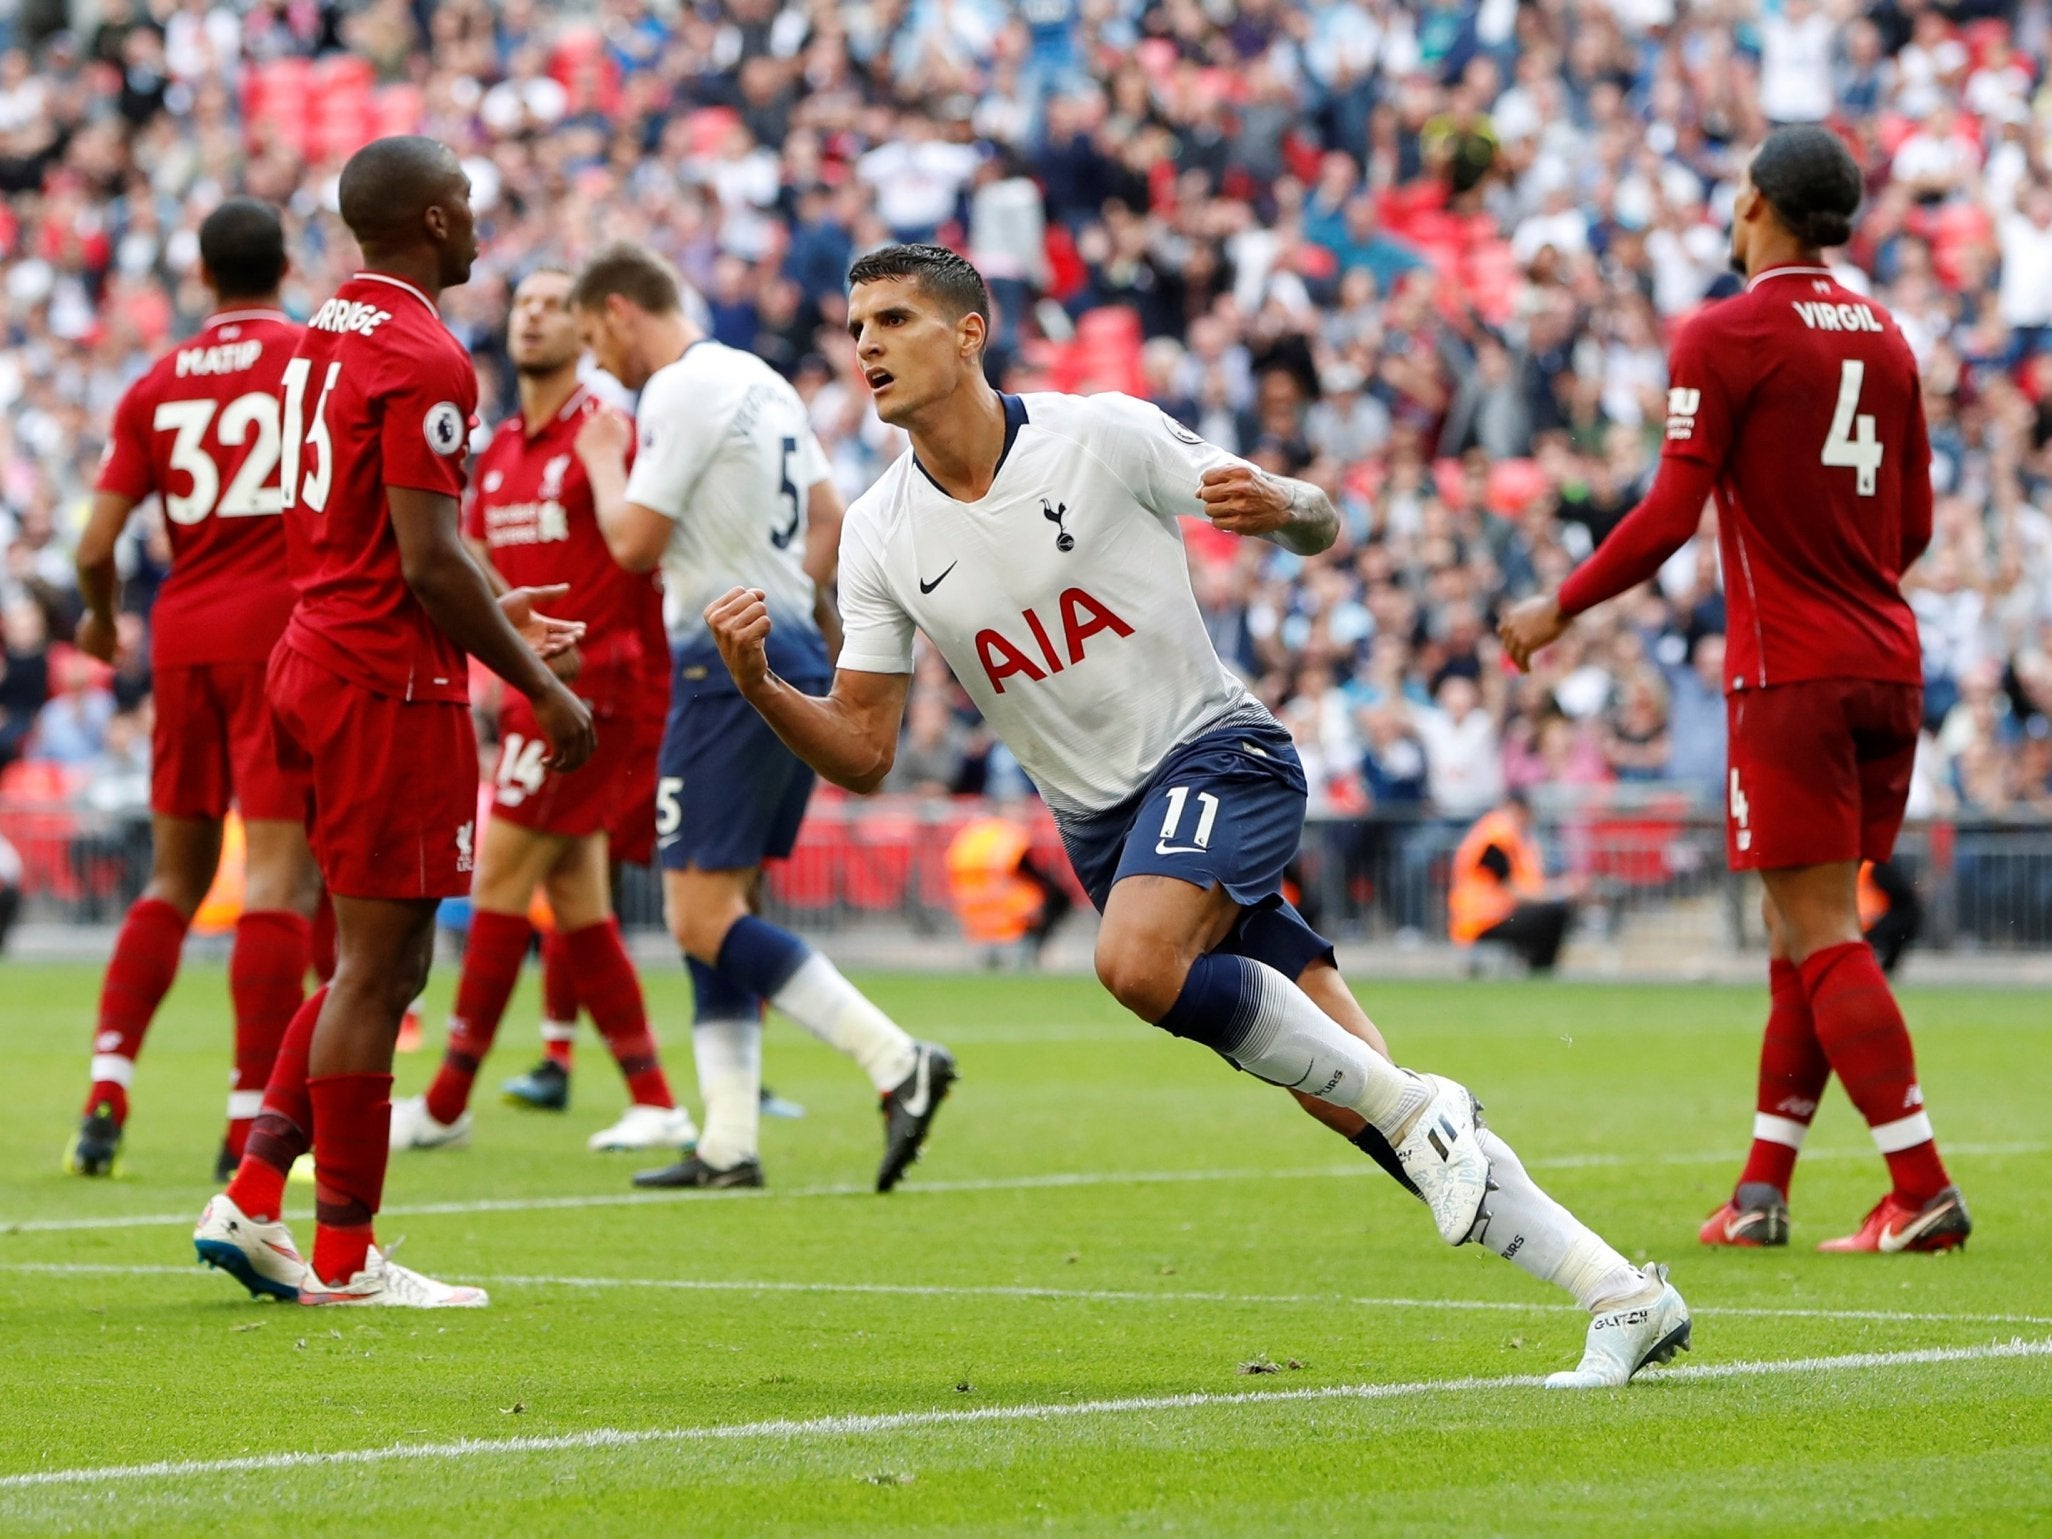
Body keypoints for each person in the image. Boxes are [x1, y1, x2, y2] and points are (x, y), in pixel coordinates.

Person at [704, 244, 1691, 1389]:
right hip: (1105, 830)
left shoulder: (1102, 433)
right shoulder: (879, 533)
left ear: (968, 334)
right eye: (855, 323)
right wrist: (763, 686)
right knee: (1359, 1100)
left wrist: (1284, 508)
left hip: (1220, 756)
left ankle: (1425, 1104)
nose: (864, 344)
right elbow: (867, 753)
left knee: (1135, 966)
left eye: (892, 318)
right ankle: (1622, 1292)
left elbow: (1318, 522)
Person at [1501, 125, 1968, 1255]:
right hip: (1885, 662)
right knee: (1796, 931)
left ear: (1757, 201)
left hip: (1793, 669)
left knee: (1818, 926)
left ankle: (1920, 1187)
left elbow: (1670, 514)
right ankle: (1762, 1190)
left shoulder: (1725, 330)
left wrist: (1557, 606)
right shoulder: (1890, 338)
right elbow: (1913, 526)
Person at [193, 136, 595, 1309]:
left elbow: (396, 541)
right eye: (465, 206)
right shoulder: (424, 353)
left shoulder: (326, 329)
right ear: (427, 220)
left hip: (316, 647)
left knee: (377, 959)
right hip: (382, 678)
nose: (478, 225)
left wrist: (486, 602)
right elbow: (426, 563)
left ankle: (256, 1192)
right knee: (382, 967)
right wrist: (540, 682)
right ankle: (344, 1256)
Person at [569, 241, 953, 1193]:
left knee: (697, 914)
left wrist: (603, 465)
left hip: (724, 659)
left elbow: (632, 541)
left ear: (621, 311)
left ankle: (895, 1058)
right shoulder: (764, 383)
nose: (600, 364)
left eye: (593, 339)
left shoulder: (676, 390)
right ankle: (730, 1140)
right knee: (721, 903)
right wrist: (784, 594)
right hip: (788, 645)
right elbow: (827, 516)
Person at [387, 268, 689, 1157]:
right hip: (536, 689)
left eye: (556, 306)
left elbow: (643, 556)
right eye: (523, 305)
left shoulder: (608, 432)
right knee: (576, 896)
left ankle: (443, 1101)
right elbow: (473, 557)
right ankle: (654, 1095)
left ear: (588, 327)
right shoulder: (505, 445)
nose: (533, 318)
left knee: (498, 886)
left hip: (598, 686)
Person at [65, 198, 322, 1182]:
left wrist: (98, 620)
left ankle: (108, 1082)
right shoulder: (308, 360)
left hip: (181, 640)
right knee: (275, 880)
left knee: (172, 878)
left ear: (203, 277)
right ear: (285, 264)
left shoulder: (154, 382)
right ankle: (246, 1117)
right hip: (280, 637)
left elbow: (95, 545)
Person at [1447, 792, 1575, 973]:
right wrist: (1559, 892)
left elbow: (1526, 881)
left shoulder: (1510, 837)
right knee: (1554, 913)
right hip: (1484, 920)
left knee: (1551, 914)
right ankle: (1540, 971)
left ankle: (1537, 969)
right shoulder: (1495, 839)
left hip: (1501, 914)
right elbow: (1511, 887)